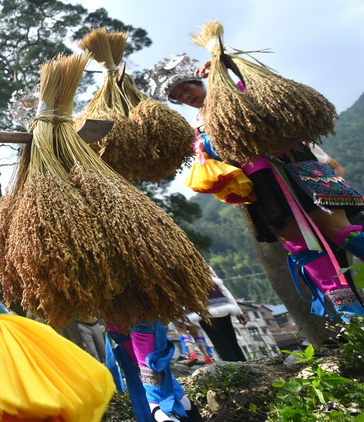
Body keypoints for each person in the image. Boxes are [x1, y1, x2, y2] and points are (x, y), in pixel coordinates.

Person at [147, 54, 364, 322]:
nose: (185, 96)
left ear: (197, 80)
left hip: (295, 169)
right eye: (178, 96)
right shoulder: (197, 127)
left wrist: (226, 63)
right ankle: (352, 321)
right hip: (262, 190)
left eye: (186, 88)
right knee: (302, 249)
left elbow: (266, 92)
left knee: (338, 229)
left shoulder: (237, 92)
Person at [186, 270, 247, 362]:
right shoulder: (203, 266)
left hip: (204, 313)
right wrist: (238, 311)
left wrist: (185, 316)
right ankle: (244, 365)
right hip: (223, 307)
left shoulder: (179, 270)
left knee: (220, 344)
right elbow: (223, 289)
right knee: (232, 341)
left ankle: (235, 369)